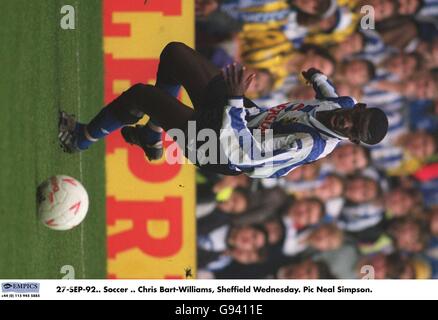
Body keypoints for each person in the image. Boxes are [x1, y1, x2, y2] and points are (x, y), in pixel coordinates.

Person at [59, 42, 388, 178]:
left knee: (143, 96)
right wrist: (318, 77)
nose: (347, 122)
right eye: (355, 116)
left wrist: (232, 99)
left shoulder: (308, 143)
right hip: (240, 114)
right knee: (175, 55)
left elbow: (242, 156)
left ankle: (79, 139)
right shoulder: (340, 104)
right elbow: (331, 95)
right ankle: (151, 135)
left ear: (352, 140)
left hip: (218, 149)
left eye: (351, 130)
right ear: (357, 106)